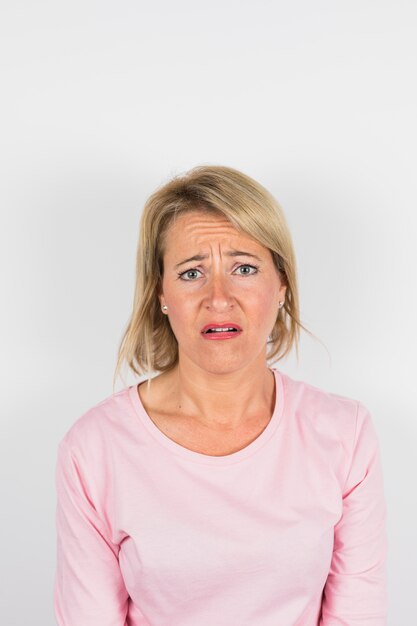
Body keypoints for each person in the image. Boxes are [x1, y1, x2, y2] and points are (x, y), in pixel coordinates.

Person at [53, 165, 388, 625]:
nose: (219, 297)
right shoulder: (93, 449)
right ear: (161, 294)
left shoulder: (344, 433)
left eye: (244, 268)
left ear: (282, 284)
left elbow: (358, 615)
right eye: (192, 273)